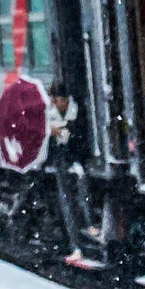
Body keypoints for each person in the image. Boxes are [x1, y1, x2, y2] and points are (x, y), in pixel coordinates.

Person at [48, 79, 98, 265]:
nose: (56, 104)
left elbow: (78, 138)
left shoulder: (78, 112)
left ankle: (90, 224)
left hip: (77, 160)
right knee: (67, 203)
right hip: (63, 162)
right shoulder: (52, 114)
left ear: (65, 99)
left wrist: (61, 133)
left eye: (58, 100)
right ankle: (76, 245)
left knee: (82, 190)